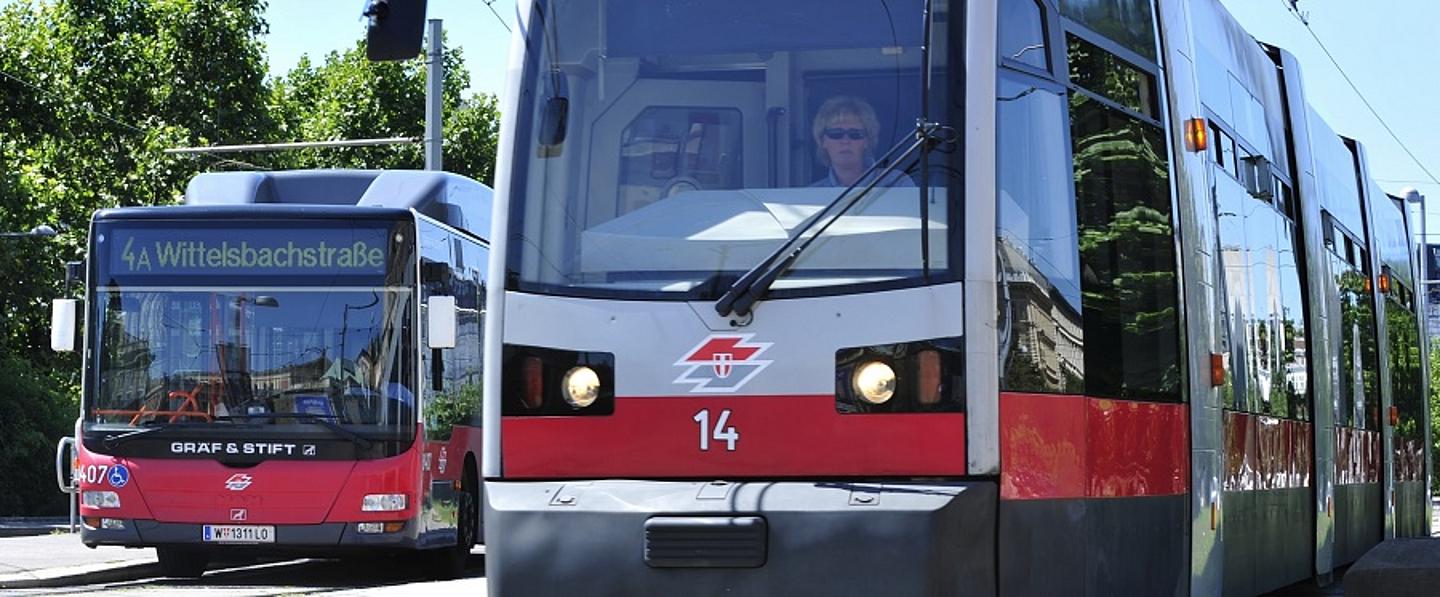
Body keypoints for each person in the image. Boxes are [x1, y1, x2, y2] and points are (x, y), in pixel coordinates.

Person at [809, 95, 913, 188]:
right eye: (836, 133)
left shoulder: (897, 183)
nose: (845, 141)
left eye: (855, 134)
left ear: (867, 141)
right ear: (822, 141)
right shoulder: (811, 195)